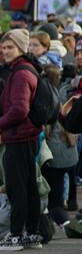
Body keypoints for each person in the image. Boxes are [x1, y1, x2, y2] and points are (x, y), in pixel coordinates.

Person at [0, 29, 45, 251]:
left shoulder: (20, 74)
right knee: (28, 188)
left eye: (11, 47)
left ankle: (16, 236)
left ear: (21, 48)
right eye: (4, 47)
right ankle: (32, 234)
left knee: (19, 190)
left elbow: (19, 109)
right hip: (25, 136)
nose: (5, 51)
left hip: (19, 137)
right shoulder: (25, 70)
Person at [41, 64, 82, 237]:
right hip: (70, 153)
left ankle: (67, 225)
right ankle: (72, 205)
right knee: (70, 185)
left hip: (55, 156)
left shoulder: (47, 100)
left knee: (55, 201)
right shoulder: (67, 93)